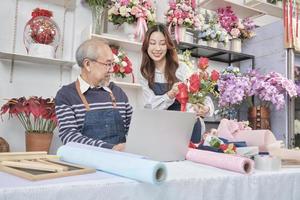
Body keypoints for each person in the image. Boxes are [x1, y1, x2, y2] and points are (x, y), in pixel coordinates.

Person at [139, 24, 214, 143]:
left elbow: (200, 95)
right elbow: (149, 106)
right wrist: (170, 95)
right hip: (161, 130)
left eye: (162, 43)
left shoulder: (181, 69)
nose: (157, 48)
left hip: (186, 128)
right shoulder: (144, 73)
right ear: (146, 45)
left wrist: (206, 108)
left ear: (168, 46)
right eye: (153, 43)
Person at [55, 39, 132, 151]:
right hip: (87, 165)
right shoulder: (66, 95)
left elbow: (135, 128)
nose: (112, 70)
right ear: (87, 64)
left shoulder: (118, 92)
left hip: (120, 162)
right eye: (108, 64)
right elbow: (69, 137)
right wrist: (110, 148)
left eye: (112, 64)